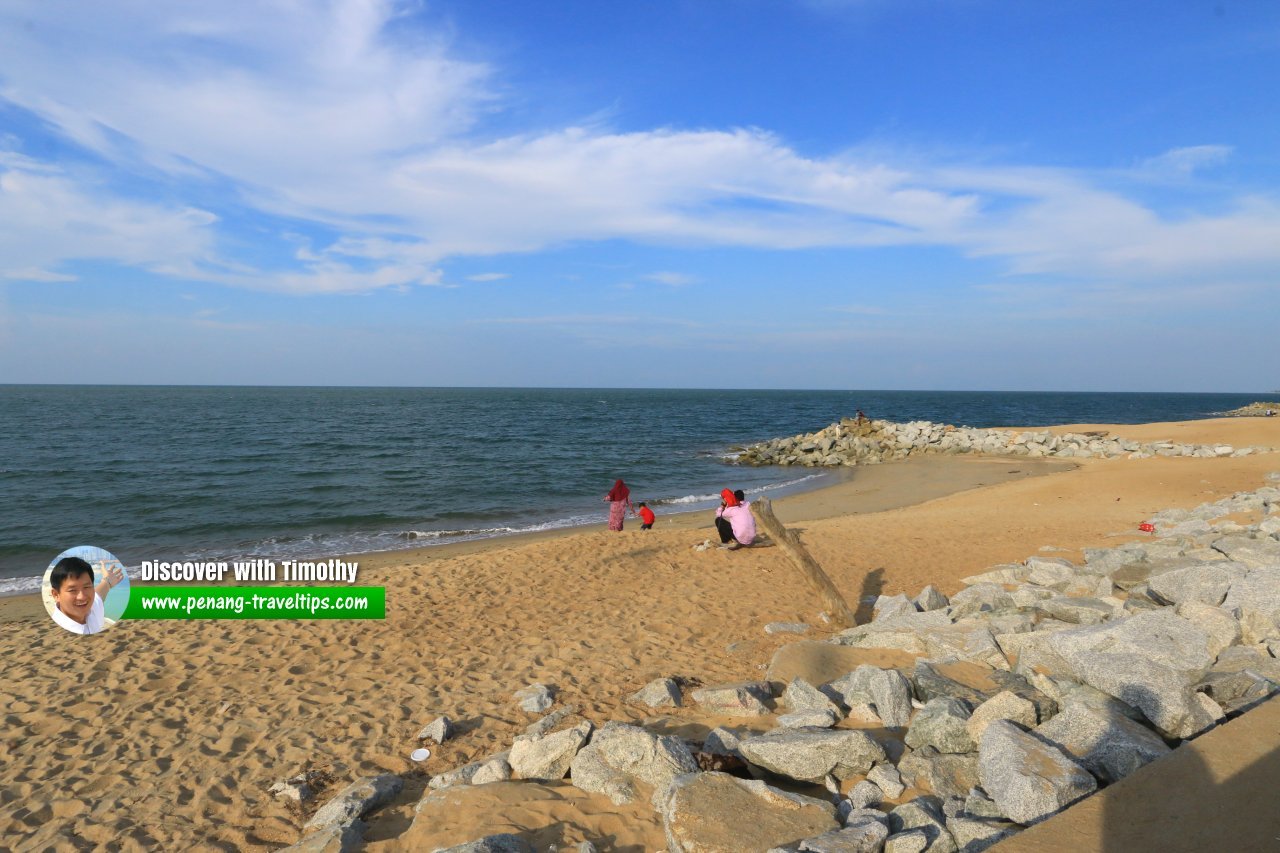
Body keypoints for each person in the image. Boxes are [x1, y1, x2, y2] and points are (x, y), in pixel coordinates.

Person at [48, 556, 123, 635]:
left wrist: (107, 581)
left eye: (86, 587)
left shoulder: (91, 610)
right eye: (72, 590)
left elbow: (99, 595)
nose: (82, 597)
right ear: (56, 595)